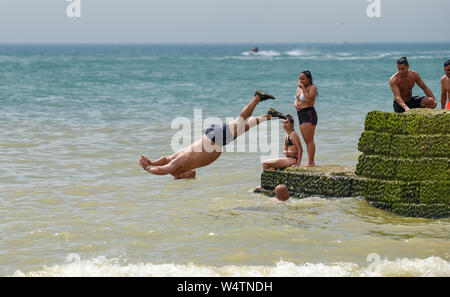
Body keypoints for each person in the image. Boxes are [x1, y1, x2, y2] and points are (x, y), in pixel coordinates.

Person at [139, 89, 287, 179]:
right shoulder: (177, 159)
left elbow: (165, 169)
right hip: (215, 139)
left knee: (240, 122)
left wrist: (147, 168)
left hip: (213, 138)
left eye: (181, 176)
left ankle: (257, 97)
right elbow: (164, 159)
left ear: (178, 172)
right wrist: (151, 162)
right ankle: (269, 115)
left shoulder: (179, 162)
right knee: (242, 128)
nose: (189, 175)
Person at [294, 70, 318, 167]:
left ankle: (311, 162)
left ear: (308, 79)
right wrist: (296, 104)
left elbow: (309, 99)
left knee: (309, 140)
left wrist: (303, 88)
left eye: (303, 79)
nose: (301, 80)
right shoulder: (298, 88)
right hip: (301, 114)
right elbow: (296, 99)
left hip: (309, 113)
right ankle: (310, 162)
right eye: (299, 78)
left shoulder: (313, 88)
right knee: (305, 139)